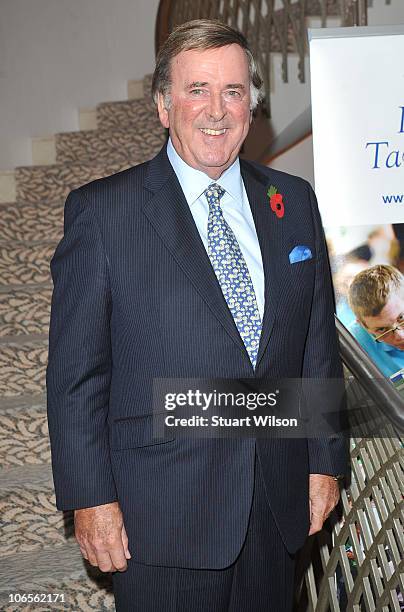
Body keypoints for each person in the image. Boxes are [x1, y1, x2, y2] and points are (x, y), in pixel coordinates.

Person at [46, 19, 347, 611]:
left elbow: (316, 346)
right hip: (159, 520)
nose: (217, 109)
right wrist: (90, 499)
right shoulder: (102, 213)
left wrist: (324, 463)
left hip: (274, 511)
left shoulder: (292, 202)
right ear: (163, 105)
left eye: (233, 91)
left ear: (252, 106)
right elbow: (76, 376)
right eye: (197, 90)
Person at [348, 264, 404, 379]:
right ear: (362, 325)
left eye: (401, 318)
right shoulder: (352, 344)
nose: (400, 336)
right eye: (382, 329)